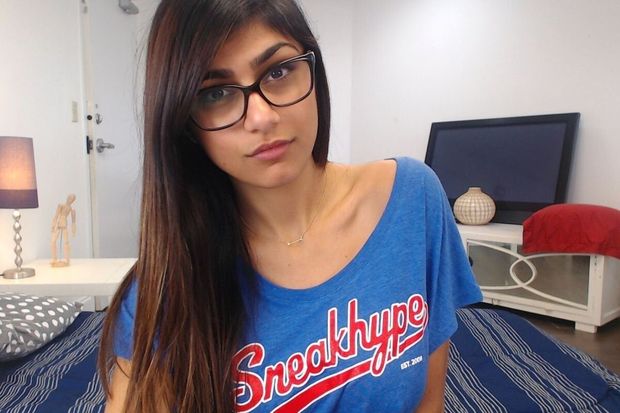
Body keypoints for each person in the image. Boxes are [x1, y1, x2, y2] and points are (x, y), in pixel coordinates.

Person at [99, 0, 482, 411]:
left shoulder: (412, 198)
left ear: (313, 70)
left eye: (278, 72)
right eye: (216, 93)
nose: (261, 117)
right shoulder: (166, 287)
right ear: (186, 125)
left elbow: (427, 399)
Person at [50, 193, 76, 267]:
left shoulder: (71, 209)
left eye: (72, 199)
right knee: (53, 241)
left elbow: (73, 220)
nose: (70, 200)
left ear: (73, 201)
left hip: (64, 224)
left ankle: (67, 259)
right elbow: (56, 215)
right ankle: (54, 259)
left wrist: (73, 230)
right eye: (69, 198)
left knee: (66, 242)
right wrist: (53, 225)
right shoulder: (61, 205)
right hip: (58, 223)